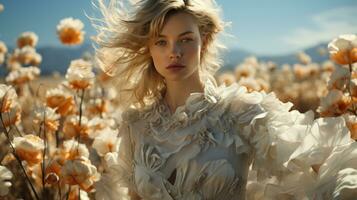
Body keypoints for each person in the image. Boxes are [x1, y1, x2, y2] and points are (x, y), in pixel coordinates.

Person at [93, 0, 357, 199]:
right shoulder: (135, 126)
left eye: (185, 40)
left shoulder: (244, 113)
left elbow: (328, 165)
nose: (174, 52)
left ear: (203, 42)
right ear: (149, 49)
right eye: (161, 42)